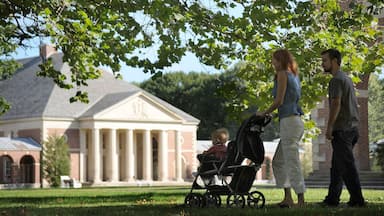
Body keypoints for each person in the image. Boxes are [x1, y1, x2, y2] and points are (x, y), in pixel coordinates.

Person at [257, 49, 305, 208]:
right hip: (293, 121)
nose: (273, 63)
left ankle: (301, 200)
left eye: (274, 60)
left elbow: (279, 100)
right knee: (278, 161)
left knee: (291, 161)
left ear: (281, 60)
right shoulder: (294, 76)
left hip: (290, 121)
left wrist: (264, 113)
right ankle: (288, 198)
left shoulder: (283, 74)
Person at [320, 48, 365, 207]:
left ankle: (358, 200)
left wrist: (329, 127)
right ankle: (332, 199)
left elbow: (336, 103)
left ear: (334, 61)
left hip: (343, 130)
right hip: (352, 129)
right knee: (337, 166)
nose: (322, 64)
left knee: (346, 166)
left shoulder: (336, 80)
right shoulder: (345, 77)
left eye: (325, 60)